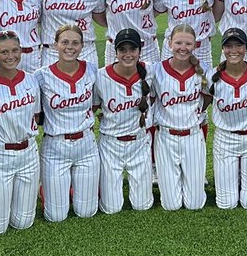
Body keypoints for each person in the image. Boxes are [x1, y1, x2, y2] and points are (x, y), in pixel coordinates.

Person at [0, 30, 42, 233]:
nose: (10, 56)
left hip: (28, 153)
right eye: (4, 52)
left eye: (15, 50)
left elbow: (37, 116)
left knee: (23, 223)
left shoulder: (31, 80)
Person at [36, 23, 99, 221]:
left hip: (86, 144)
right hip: (55, 146)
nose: (70, 47)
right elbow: (37, 114)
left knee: (86, 212)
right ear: (55, 45)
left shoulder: (92, 70)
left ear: (82, 46)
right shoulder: (41, 75)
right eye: (64, 42)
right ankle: (46, 188)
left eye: (75, 43)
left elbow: (96, 104)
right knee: (56, 216)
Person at [206, 27, 247, 210]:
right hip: (225, 139)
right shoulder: (212, 77)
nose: (234, 50)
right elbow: (202, 103)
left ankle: (246, 177)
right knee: (226, 204)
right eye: (229, 46)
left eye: (238, 45)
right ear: (223, 49)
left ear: (246, 48)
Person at [93, 28, 155, 212]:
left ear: (139, 50)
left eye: (132, 49)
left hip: (139, 142)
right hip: (111, 144)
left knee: (142, 205)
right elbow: (93, 107)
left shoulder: (150, 71)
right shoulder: (100, 76)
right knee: (111, 208)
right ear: (115, 51)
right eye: (123, 50)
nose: (128, 54)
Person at [150, 23, 209, 211]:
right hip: (166, 137)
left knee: (194, 204)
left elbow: (208, 98)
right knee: (171, 205)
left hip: (192, 136)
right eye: (178, 43)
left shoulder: (205, 70)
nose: (183, 48)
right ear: (169, 43)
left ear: (195, 45)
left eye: (188, 44)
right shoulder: (156, 70)